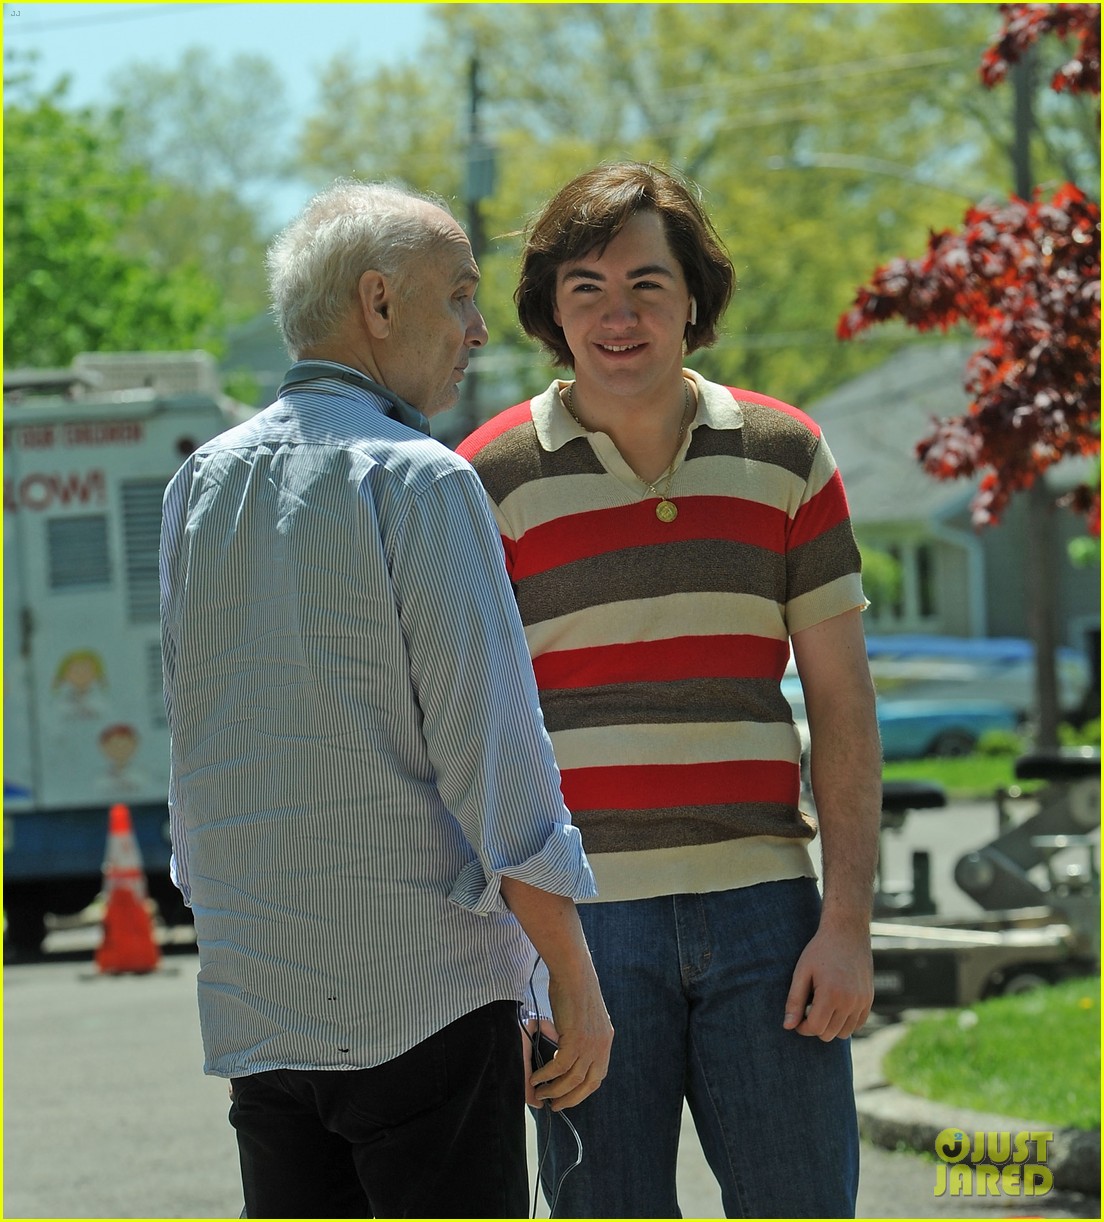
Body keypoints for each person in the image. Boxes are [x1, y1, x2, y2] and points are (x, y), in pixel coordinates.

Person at [160, 179, 613, 1220]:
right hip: (426, 1002)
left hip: (263, 1004)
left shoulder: (202, 483)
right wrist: (575, 986)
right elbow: (496, 760)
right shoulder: (420, 479)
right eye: (457, 295)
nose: (476, 328)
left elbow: (197, 747)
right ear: (377, 302)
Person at [458, 162, 882, 1219]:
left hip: (769, 923)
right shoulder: (485, 479)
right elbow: (464, 738)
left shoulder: (787, 454)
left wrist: (849, 922)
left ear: (694, 296)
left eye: (648, 283)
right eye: (586, 286)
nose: (618, 314)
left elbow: (843, 704)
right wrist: (507, 969)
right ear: (550, 308)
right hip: (582, 932)